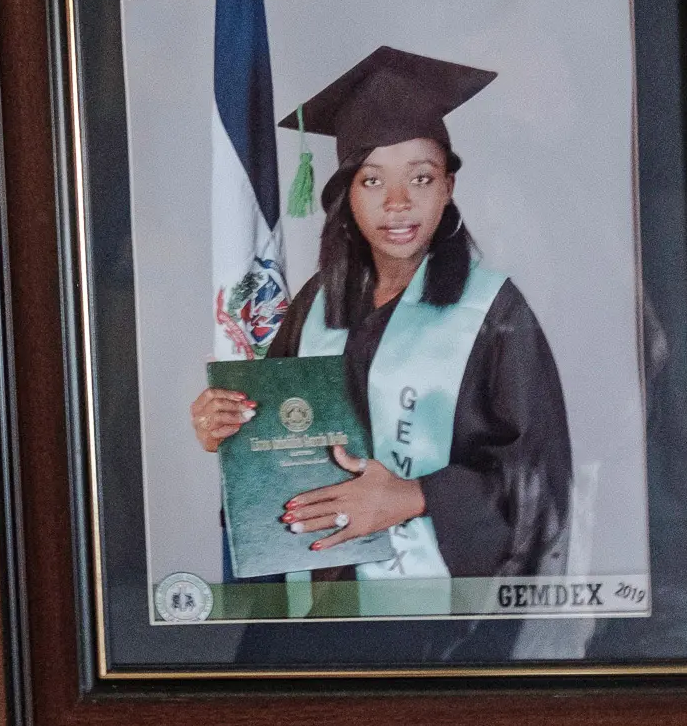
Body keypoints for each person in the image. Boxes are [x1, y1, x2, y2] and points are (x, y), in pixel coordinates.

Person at [189, 44, 571, 581]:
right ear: (347, 194)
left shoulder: (495, 311)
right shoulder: (316, 302)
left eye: (420, 178)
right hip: (320, 606)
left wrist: (413, 495)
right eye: (372, 180)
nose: (397, 202)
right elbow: (273, 449)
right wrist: (226, 428)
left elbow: (539, 482)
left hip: (440, 628)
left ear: (448, 188)